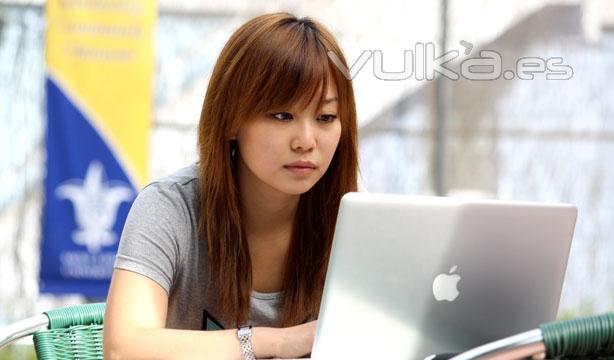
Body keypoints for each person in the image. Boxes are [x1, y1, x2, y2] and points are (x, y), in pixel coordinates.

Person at [103, 11, 359, 360]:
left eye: (326, 117)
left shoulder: (356, 223)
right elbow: (124, 348)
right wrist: (276, 342)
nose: (306, 140)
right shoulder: (170, 208)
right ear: (232, 119)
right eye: (282, 115)